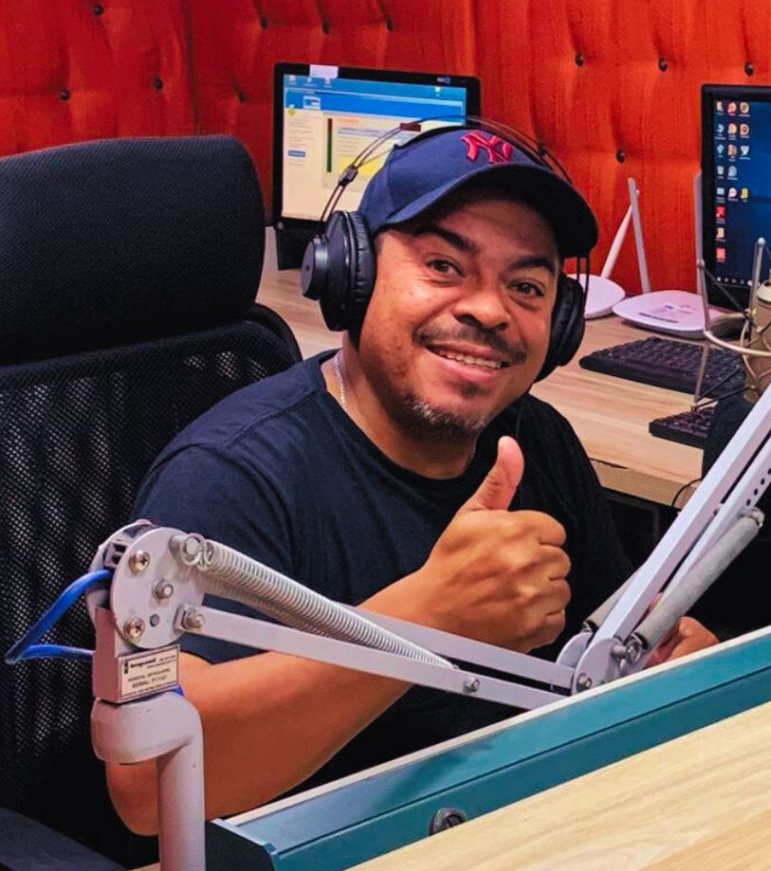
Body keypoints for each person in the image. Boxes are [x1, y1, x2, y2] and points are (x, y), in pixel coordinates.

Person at [106, 126, 717, 835]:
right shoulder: (230, 477)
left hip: (510, 832)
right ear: (352, 275)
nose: (489, 310)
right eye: (444, 266)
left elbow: (608, 646)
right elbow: (146, 788)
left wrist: (659, 660)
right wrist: (427, 620)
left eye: (525, 286)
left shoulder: (534, 439)